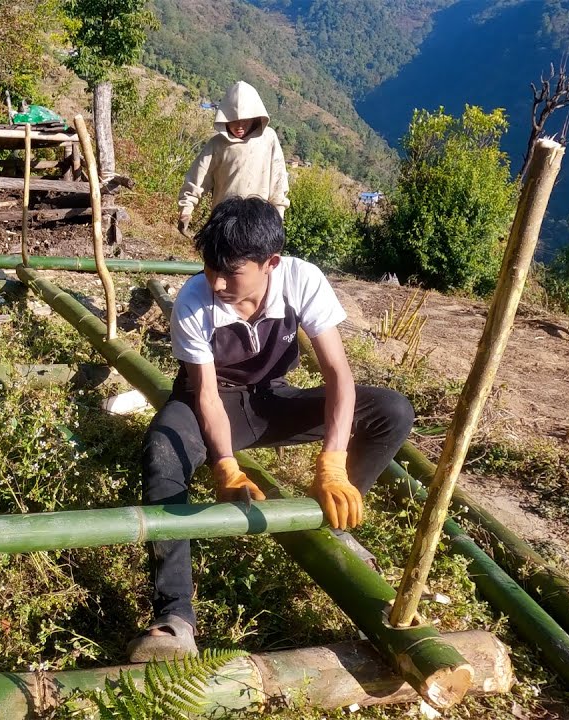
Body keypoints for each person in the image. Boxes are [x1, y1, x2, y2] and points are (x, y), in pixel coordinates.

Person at [128, 196, 413, 662]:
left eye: (232, 272)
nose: (218, 282)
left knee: (392, 411)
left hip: (272, 397)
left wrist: (334, 463)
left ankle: (332, 521)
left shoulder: (303, 280)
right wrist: (224, 464)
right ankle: (174, 619)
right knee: (163, 451)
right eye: (210, 268)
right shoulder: (194, 299)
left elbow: (339, 376)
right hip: (212, 401)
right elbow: (204, 394)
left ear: (271, 263)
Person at [177, 81, 290, 237]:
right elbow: (197, 179)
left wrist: (278, 217)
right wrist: (186, 211)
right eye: (234, 121)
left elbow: (278, 180)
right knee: (219, 260)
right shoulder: (217, 144)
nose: (239, 127)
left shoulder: (268, 139)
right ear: (226, 118)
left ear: (255, 118)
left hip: (258, 224)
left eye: (245, 121)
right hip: (223, 223)